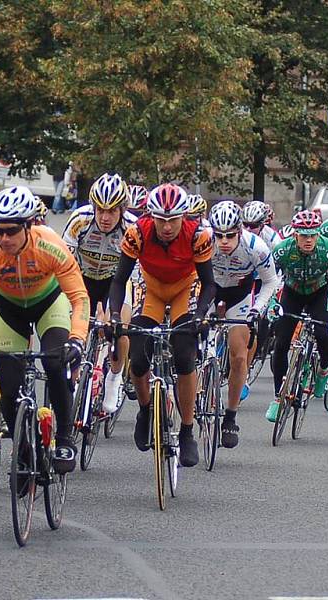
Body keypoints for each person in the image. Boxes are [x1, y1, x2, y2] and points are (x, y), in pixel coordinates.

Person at [0, 185, 90, 475]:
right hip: (8, 308)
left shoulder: (50, 245)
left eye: (11, 231)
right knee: (8, 388)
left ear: (29, 225)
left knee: (55, 362)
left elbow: (79, 298)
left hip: (49, 303)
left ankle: (66, 439)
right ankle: (24, 450)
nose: (4, 238)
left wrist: (77, 338)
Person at [107, 183, 216, 468]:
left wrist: (202, 314)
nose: (167, 227)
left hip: (184, 290)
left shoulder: (198, 236)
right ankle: (145, 411)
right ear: (150, 217)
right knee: (138, 356)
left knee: (184, 355)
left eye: (173, 220)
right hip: (151, 289)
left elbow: (209, 283)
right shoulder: (137, 233)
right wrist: (116, 317)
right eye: (161, 220)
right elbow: (119, 281)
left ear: (184, 217)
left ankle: (188, 430)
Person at [265, 210, 328, 422]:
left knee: (323, 334)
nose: (309, 239)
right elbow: (270, 280)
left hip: (319, 293)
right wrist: (272, 304)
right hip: (292, 292)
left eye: (313, 234)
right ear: (295, 235)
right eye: (304, 235)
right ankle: (278, 397)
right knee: (281, 343)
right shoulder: (282, 250)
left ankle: (323, 368)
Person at [62, 172, 137, 412]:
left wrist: (113, 312)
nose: (105, 217)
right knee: (70, 324)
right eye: (100, 210)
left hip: (115, 281)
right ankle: (72, 375)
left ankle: (114, 378)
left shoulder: (131, 228)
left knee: (119, 328)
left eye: (112, 211)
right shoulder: (80, 220)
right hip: (82, 277)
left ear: (122, 209)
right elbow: (64, 263)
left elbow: (134, 275)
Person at [208, 201, 278, 446]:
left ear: (240, 230)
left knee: (239, 356)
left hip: (240, 295)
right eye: (219, 236)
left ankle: (230, 416)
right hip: (209, 290)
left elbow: (271, 281)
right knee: (191, 341)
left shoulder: (255, 247)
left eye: (229, 235)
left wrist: (258, 309)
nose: (224, 241)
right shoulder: (203, 241)